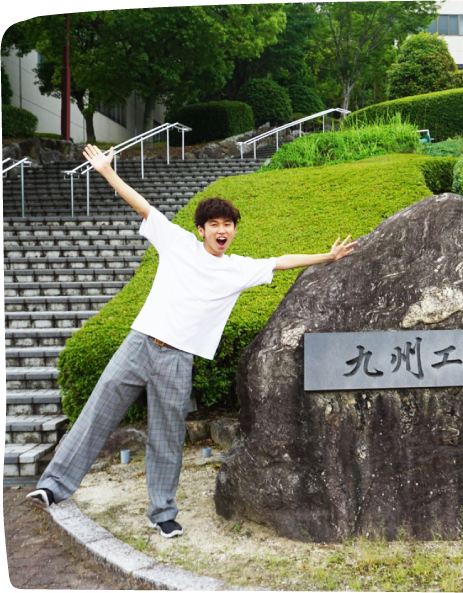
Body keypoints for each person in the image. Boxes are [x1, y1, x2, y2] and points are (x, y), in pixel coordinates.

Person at [27, 144, 357, 538]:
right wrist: (107, 173)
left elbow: (282, 260)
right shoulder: (178, 243)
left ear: (234, 231)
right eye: (214, 224)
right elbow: (143, 206)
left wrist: (328, 256)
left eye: (228, 224)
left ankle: (162, 512)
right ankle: (52, 486)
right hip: (139, 343)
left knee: (167, 437)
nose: (222, 230)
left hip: (178, 359)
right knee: (95, 414)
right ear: (201, 229)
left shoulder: (239, 269)